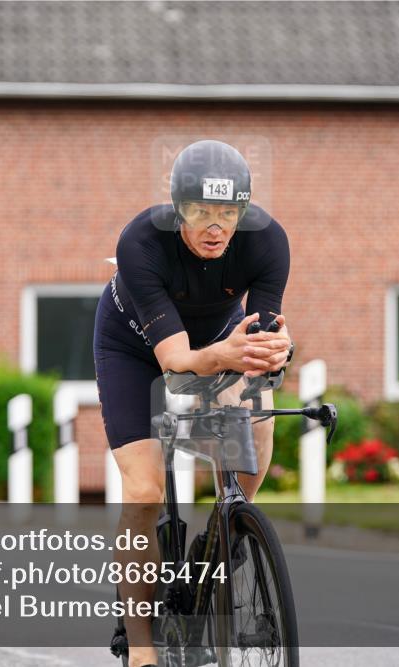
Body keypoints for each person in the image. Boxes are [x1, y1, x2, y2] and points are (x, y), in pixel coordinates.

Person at [94, 140, 293, 667]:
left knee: (258, 421)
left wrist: (275, 350)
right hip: (136, 345)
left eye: (228, 212)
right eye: (201, 211)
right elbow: (178, 363)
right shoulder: (142, 241)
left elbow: (262, 335)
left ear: (243, 211)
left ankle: (221, 537)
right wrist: (230, 354)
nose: (215, 226)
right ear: (177, 207)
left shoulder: (269, 242)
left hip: (219, 334)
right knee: (143, 488)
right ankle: (141, 649)